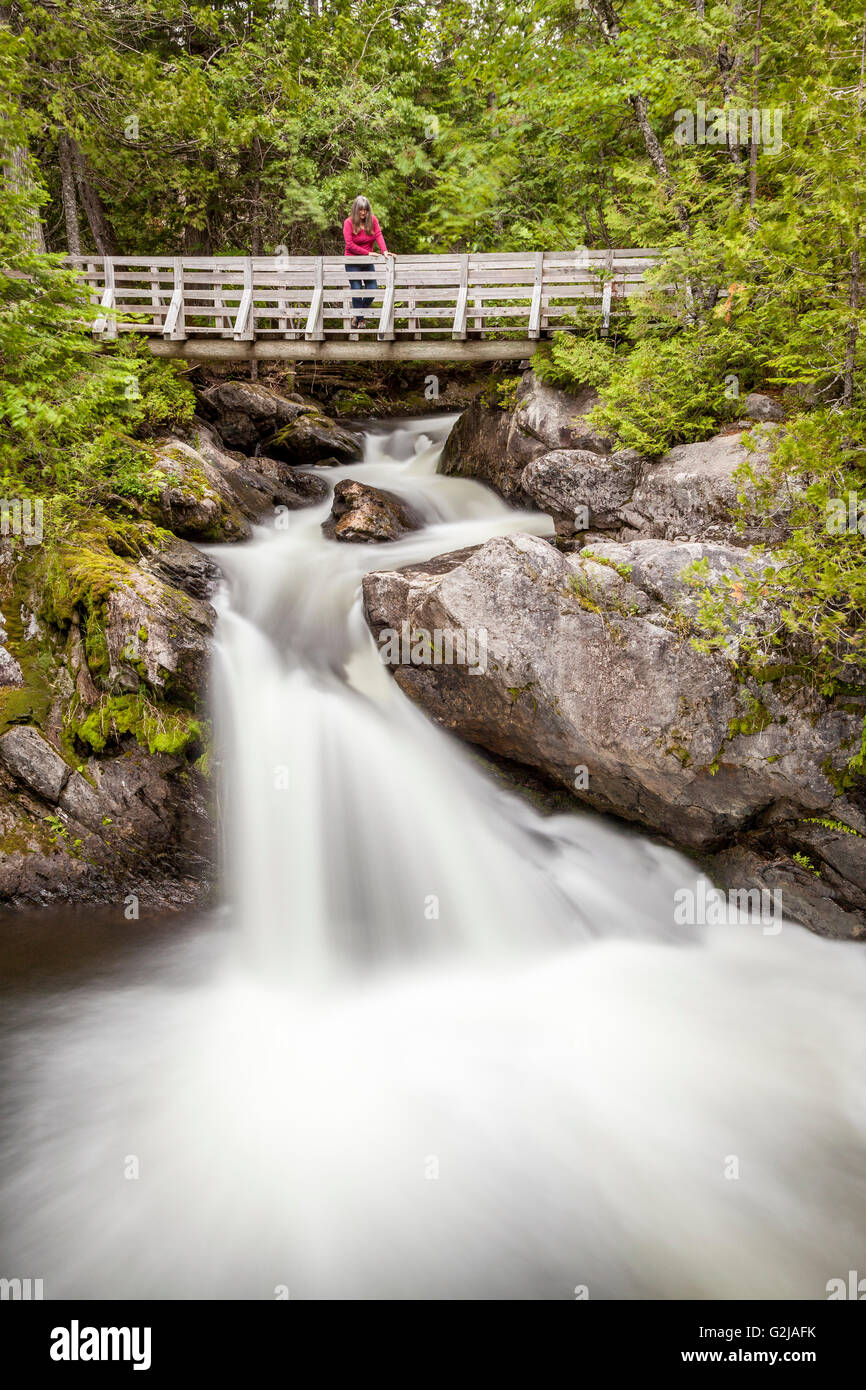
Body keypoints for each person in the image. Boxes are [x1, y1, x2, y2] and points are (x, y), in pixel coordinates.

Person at [343, 196, 393, 329]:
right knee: (357, 290)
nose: (363, 213)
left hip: (367, 263)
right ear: (355, 210)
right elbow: (349, 244)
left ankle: (357, 315)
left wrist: (385, 251)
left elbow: (379, 235)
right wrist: (367, 253)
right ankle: (361, 320)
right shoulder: (348, 223)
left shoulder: (373, 220)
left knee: (372, 290)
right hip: (352, 262)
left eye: (365, 210)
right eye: (360, 210)